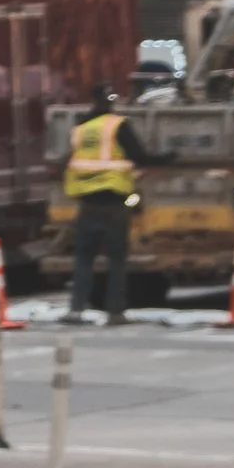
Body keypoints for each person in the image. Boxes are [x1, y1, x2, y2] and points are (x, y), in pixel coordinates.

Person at [62, 85, 148, 326]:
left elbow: (69, 159)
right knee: (117, 258)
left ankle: (76, 309)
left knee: (84, 258)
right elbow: (140, 156)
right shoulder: (117, 125)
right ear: (109, 101)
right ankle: (115, 311)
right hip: (114, 204)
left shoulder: (81, 128)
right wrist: (168, 158)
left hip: (87, 202)